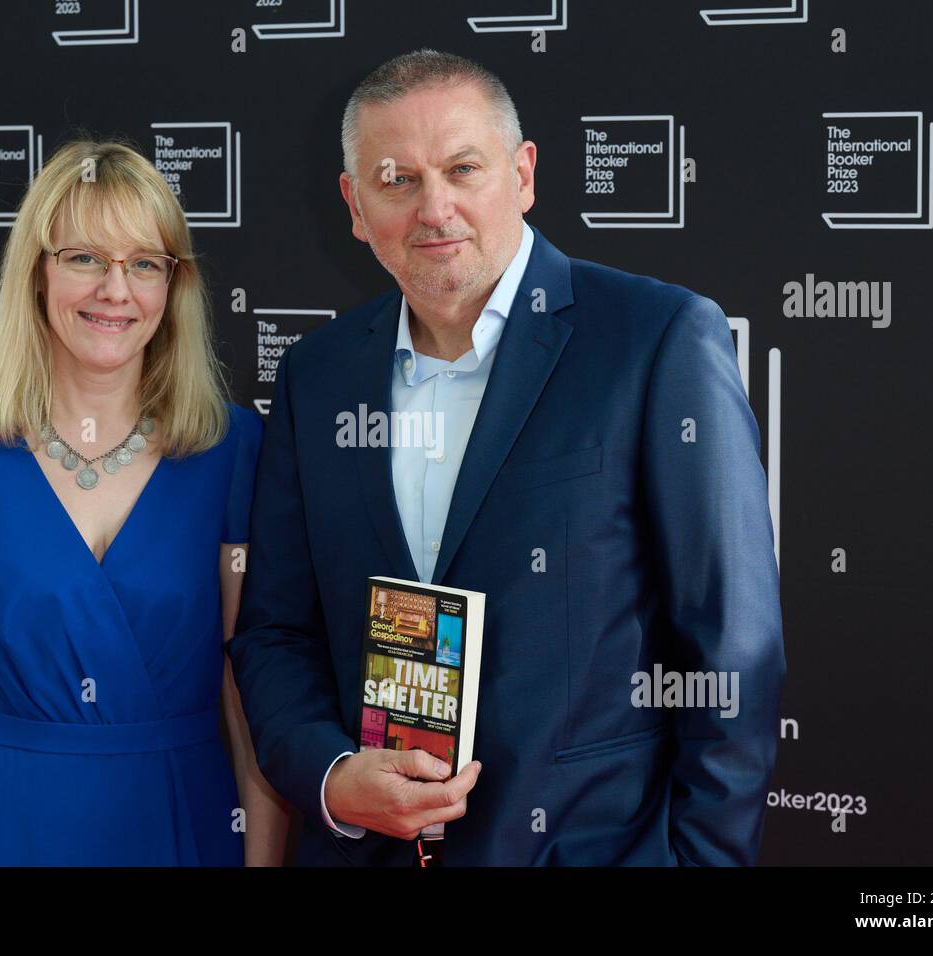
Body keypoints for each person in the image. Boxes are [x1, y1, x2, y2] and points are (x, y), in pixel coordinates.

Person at [227, 50, 785, 865]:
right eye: (397, 180)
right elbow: (275, 631)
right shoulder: (318, 375)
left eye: (463, 169)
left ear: (522, 176)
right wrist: (334, 774)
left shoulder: (654, 340)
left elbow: (730, 644)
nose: (435, 207)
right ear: (353, 204)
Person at [0, 138, 288, 866]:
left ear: (172, 286)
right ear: (36, 272)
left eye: (144, 264)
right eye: (85, 257)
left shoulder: (232, 450)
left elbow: (253, 706)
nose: (115, 291)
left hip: (180, 826)